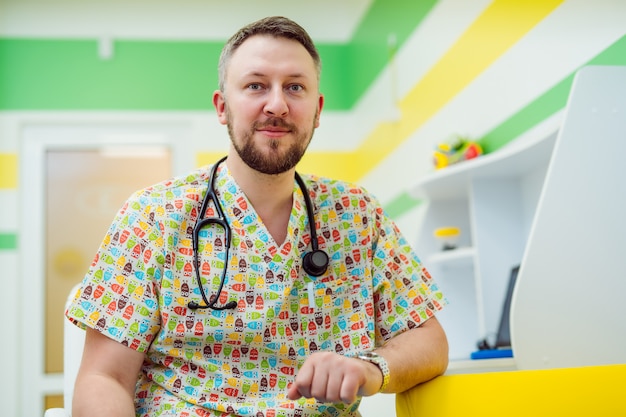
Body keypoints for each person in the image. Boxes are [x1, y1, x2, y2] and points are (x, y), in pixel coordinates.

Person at [67, 15, 448, 417]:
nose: (277, 105)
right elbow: (103, 378)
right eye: (255, 86)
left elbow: (430, 340)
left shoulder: (356, 215)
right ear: (222, 106)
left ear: (317, 110)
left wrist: (370, 368)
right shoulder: (153, 217)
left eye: (295, 87)